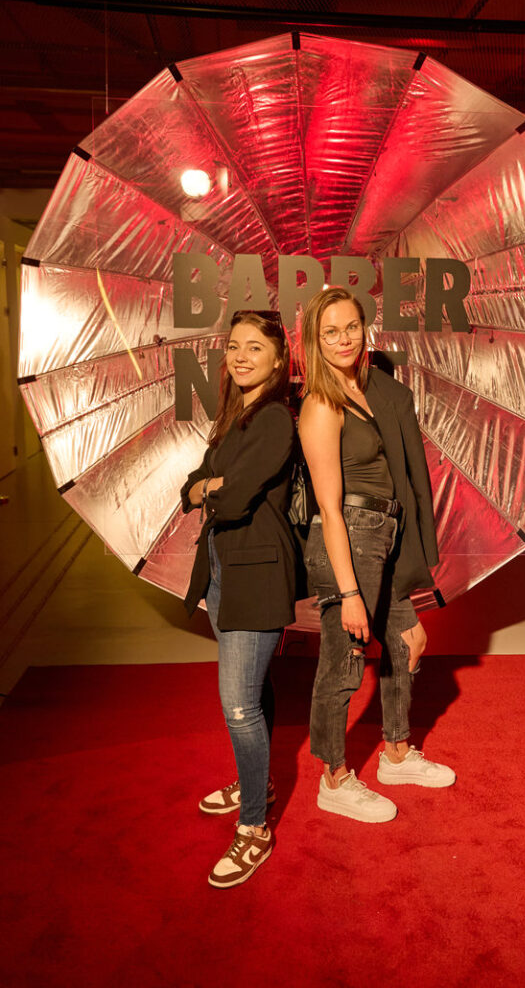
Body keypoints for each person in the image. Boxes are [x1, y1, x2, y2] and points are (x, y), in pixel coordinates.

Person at [298, 286, 455, 824]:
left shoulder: (368, 391)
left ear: (364, 328)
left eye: (351, 327)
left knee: (408, 643)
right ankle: (334, 778)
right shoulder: (322, 404)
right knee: (342, 663)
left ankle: (395, 753)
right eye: (330, 332)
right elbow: (329, 507)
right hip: (349, 539)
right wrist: (348, 592)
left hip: (382, 536)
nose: (344, 339)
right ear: (314, 341)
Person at [181, 310, 296, 887]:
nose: (242, 356)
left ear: (278, 360)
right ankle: (261, 783)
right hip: (223, 570)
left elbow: (233, 500)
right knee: (254, 689)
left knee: (238, 705)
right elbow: (191, 488)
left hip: (257, 573)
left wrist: (213, 488)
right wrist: (210, 485)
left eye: (255, 347)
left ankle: (254, 827)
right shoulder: (234, 418)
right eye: (234, 346)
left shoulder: (274, 419)